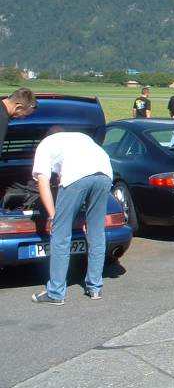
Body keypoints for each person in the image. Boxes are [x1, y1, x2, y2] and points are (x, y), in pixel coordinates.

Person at [31, 129, 113, 304]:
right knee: (96, 233)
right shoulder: (81, 138)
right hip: (105, 173)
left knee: (61, 235)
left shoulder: (45, 145)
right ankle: (95, 288)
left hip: (76, 175)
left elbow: (43, 183)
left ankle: (55, 293)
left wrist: (53, 216)